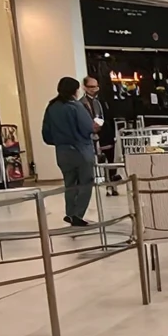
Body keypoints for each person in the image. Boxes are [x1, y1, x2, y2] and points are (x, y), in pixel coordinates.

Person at [41, 76, 96, 227]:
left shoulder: (52, 107)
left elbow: (46, 133)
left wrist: (59, 142)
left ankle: (70, 213)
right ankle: (78, 214)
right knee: (86, 182)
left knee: (70, 183)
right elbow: (87, 128)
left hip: (62, 151)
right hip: (80, 150)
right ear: (75, 90)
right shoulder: (75, 107)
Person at [80, 76, 118, 194]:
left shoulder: (102, 101)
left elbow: (108, 117)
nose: (94, 89)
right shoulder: (80, 103)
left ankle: (111, 185)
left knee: (111, 162)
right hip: (90, 137)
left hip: (106, 136)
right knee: (96, 164)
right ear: (84, 87)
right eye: (91, 87)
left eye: (96, 86)